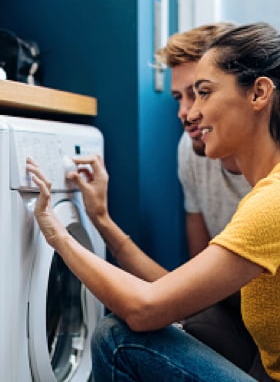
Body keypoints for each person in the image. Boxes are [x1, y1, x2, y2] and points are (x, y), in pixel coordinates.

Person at [26, 21, 280, 381]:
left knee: (119, 338)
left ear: (258, 94)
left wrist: (58, 236)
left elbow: (146, 308)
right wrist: (99, 218)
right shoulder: (248, 184)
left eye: (203, 93)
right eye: (186, 96)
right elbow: (184, 292)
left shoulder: (271, 202)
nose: (191, 113)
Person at [158, 24, 255, 370]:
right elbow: (196, 278)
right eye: (179, 98)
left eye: (200, 93)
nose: (186, 112)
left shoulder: (268, 186)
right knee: (187, 326)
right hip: (230, 308)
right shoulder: (190, 151)